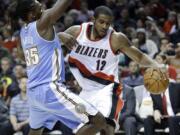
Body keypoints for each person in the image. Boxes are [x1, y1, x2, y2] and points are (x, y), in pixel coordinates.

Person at [61, 5, 162, 135]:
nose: (104, 26)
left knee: (106, 126)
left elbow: (139, 56)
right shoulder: (75, 33)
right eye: (101, 22)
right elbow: (49, 46)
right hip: (85, 91)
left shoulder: (116, 39)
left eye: (108, 23)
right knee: (82, 129)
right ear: (93, 19)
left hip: (107, 88)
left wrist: (156, 66)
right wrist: (58, 36)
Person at [10, 0, 107, 135]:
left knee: (35, 131)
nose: (43, 7)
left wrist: (57, 38)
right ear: (32, 14)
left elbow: (23, 54)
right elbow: (63, 4)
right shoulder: (43, 22)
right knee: (99, 121)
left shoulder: (23, 32)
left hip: (34, 92)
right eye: (39, 6)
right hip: (50, 89)